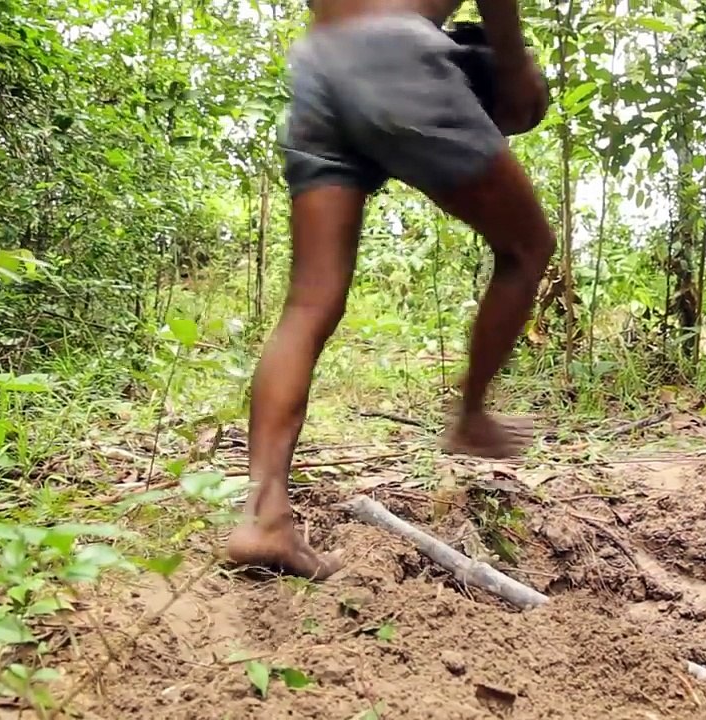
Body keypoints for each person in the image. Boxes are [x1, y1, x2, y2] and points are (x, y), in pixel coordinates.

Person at [226, 0, 555, 580]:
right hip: (392, 49)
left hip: (318, 61)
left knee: (307, 303)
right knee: (528, 247)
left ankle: (263, 516)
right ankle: (472, 415)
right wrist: (514, 62)